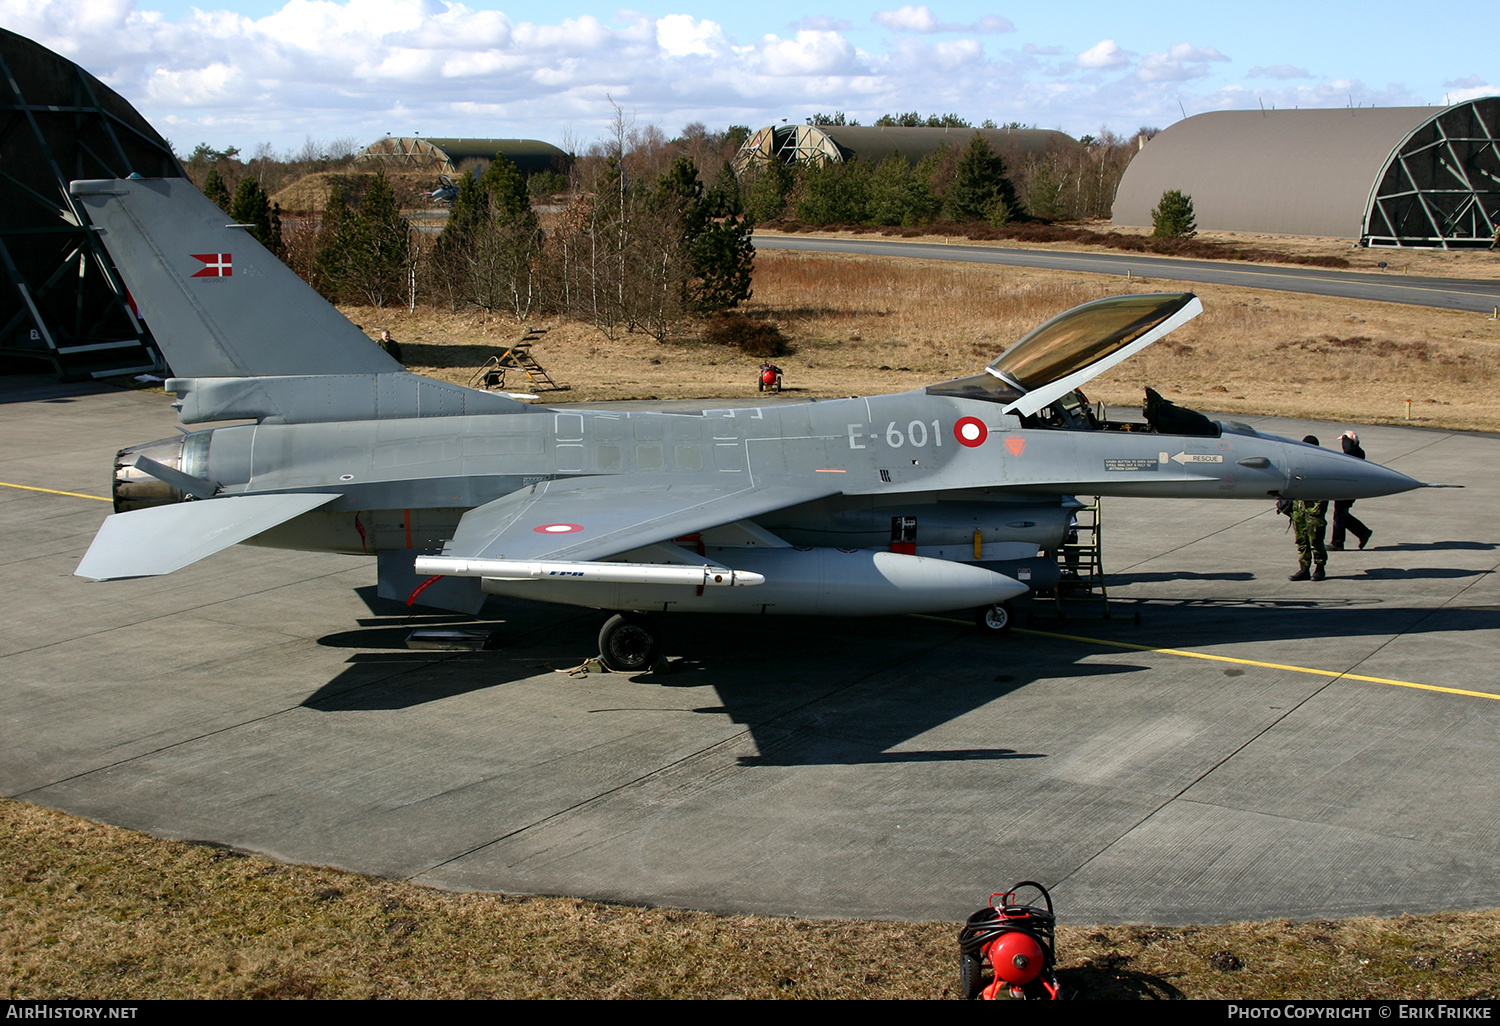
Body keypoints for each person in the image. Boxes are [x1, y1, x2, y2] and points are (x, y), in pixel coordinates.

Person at [1289, 435, 1328, 581]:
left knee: (1316, 541)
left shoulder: (1322, 466)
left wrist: (1316, 510)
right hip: (1299, 509)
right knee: (1301, 540)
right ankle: (1304, 568)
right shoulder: (1299, 464)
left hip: (1314, 511)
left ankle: (1320, 568)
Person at [1330, 431, 1373, 550]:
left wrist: (1346, 438)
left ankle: (1337, 542)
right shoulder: (1357, 452)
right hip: (1348, 488)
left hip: (1348, 489)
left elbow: (1348, 449)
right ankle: (1363, 532)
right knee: (1342, 514)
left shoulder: (1355, 452)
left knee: (1340, 515)